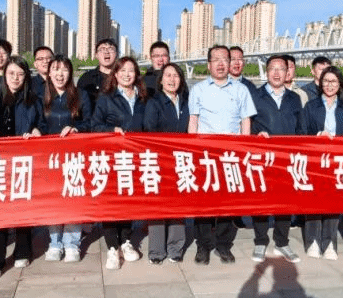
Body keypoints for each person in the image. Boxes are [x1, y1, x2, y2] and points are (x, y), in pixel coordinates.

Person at [0, 55, 45, 276]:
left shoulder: (33, 100)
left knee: (22, 205)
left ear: (26, 77)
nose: (15, 78)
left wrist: (37, 131)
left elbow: (41, 124)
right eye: (11, 73)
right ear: (4, 75)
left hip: (21, 161)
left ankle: (23, 251)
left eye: (20, 74)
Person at [188, 45, 256, 265]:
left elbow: (246, 121)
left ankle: (223, 245)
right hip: (205, 155)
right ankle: (203, 246)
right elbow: (193, 120)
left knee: (228, 203)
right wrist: (193, 151)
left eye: (224, 59)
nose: (220, 63)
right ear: (208, 64)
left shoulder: (241, 90)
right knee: (203, 203)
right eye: (215, 59)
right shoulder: (198, 89)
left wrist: (244, 151)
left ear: (230, 63)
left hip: (231, 156)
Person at [91, 56, 148, 270]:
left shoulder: (143, 98)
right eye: (122, 70)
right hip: (112, 157)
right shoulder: (106, 98)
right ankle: (112, 247)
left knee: (128, 200)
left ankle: (126, 241)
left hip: (135, 158)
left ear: (136, 74)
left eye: (131, 70)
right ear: (115, 74)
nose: (126, 74)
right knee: (110, 202)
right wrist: (111, 130)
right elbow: (94, 126)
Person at [298, 66, 343, 260]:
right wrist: (318, 135)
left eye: (333, 81)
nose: (329, 85)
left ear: (340, 84)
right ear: (320, 83)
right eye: (326, 81)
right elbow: (301, 132)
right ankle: (313, 242)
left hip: (338, 161)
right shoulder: (311, 106)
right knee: (313, 201)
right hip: (315, 160)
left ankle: (330, 243)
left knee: (333, 201)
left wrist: (338, 139)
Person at [249, 55, 304, 263]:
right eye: (273, 68)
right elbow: (247, 124)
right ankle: (260, 241)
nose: (277, 73)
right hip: (263, 157)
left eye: (281, 68)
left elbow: (300, 128)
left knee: (285, 201)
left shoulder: (294, 98)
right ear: (267, 71)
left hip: (287, 158)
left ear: (287, 72)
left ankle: (282, 242)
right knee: (261, 200)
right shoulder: (256, 96)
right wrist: (256, 135)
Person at [42, 55, 92, 262]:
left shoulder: (81, 95)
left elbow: (90, 122)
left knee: (73, 198)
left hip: (74, 156)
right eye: (55, 69)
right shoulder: (41, 96)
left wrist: (76, 128)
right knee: (53, 200)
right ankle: (55, 242)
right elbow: (37, 122)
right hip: (50, 157)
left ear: (70, 73)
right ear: (49, 73)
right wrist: (35, 130)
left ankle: (72, 243)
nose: (60, 74)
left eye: (64, 69)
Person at [143, 62, 190, 264]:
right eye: (168, 75)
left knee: (178, 205)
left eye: (176, 76)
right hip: (159, 160)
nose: (172, 79)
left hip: (181, 161)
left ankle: (175, 247)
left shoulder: (186, 102)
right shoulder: (154, 103)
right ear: (161, 81)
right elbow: (149, 130)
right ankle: (156, 251)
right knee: (158, 205)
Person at [77, 37, 118, 106]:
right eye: (102, 49)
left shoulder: (123, 78)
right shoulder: (86, 78)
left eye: (111, 49)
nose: (106, 52)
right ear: (96, 55)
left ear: (116, 54)